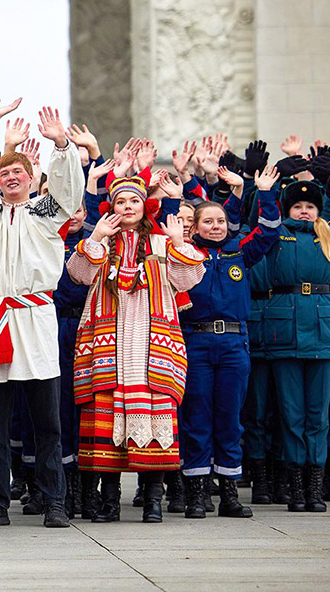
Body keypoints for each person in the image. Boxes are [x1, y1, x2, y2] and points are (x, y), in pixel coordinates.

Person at [0, 106, 86, 529]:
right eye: (4, 174)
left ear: (33, 180)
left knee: (47, 423)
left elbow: (70, 191)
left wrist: (60, 144)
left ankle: (54, 499)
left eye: (19, 173)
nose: (11, 178)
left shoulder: (47, 213)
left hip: (35, 319)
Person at [68, 169, 205, 524]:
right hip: (108, 348)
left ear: (146, 206)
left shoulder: (161, 244)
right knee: (105, 422)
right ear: (110, 207)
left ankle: (153, 502)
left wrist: (178, 244)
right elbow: (79, 274)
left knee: (155, 419)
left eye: (134, 201)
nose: (128, 206)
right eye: (120, 201)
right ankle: (109, 502)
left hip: (151, 348)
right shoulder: (103, 243)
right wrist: (96, 236)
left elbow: (188, 279)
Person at [178, 165, 281, 518]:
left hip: (234, 345)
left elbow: (267, 233)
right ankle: (197, 492)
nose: (216, 227)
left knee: (230, 418)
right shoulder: (186, 253)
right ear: (196, 227)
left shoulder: (239, 251)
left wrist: (264, 193)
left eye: (220, 221)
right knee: (197, 416)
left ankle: (229, 495)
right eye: (208, 222)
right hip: (196, 342)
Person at [263, 153, 330, 512]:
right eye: (298, 206)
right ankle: (295, 484)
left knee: (317, 414)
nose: (304, 211)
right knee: (291, 413)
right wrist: (274, 180)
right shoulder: (276, 233)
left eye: (310, 206)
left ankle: (315, 484)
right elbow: (258, 216)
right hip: (285, 329)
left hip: (322, 329)